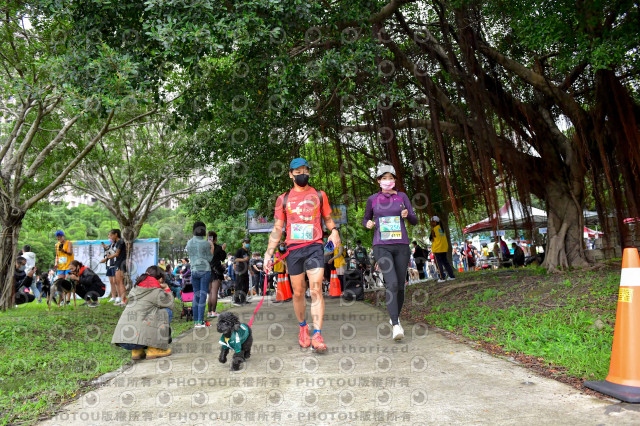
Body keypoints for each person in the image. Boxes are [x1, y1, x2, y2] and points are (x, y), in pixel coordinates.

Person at [263, 157, 340, 353]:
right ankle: (303, 328)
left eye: (304, 171)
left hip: (315, 246)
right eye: (297, 172)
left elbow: (328, 218)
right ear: (290, 174)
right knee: (298, 292)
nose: (301, 175)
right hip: (293, 249)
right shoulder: (283, 199)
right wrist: (268, 253)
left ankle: (317, 334)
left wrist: (334, 231)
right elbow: (278, 227)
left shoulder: (319, 195)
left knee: (316, 290)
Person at [363, 164, 418, 340]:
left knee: (400, 286)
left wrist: (407, 214)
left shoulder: (402, 197)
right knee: (392, 283)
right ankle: (395, 324)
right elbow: (365, 219)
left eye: (391, 178)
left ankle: (394, 316)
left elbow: (414, 219)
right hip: (381, 246)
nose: (388, 181)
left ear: (395, 180)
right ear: (379, 181)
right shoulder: (373, 199)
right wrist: (368, 224)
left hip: (401, 245)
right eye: (384, 178)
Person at [111, 266, 174, 360]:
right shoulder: (156, 291)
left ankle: (137, 351)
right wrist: (167, 288)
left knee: (145, 314)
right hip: (137, 340)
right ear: (160, 279)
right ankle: (154, 349)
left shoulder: (135, 288)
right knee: (167, 312)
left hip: (123, 339)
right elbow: (171, 304)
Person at [186, 221, 213, 327]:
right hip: (205, 270)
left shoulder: (189, 243)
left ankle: (196, 321)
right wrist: (212, 248)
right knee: (202, 295)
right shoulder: (206, 243)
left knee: (195, 295)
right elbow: (209, 258)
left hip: (193, 271)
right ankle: (201, 321)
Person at [100, 229, 126, 306]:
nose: (109, 237)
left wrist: (109, 257)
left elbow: (117, 254)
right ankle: (122, 299)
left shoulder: (120, 242)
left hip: (121, 264)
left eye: (111, 235)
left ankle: (123, 300)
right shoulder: (116, 243)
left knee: (120, 282)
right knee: (118, 282)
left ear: (116, 234)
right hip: (117, 263)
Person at [429, 216, 455, 283]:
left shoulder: (434, 230)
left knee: (438, 264)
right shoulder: (442, 229)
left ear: (435, 222)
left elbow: (430, 239)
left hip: (437, 249)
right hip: (443, 248)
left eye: (432, 222)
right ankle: (451, 276)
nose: (431, 223)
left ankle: (442, 277)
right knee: (446, 263)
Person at [207, 231, 227, 318]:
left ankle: (209, 312)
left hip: (207, 271)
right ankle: (213, 311)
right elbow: (222, 258)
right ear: (215, 238)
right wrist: (223, 249)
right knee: (214, 292)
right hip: (216, 271)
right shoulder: (218, 248)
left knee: (210, 293)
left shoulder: (205, 248)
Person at [54, 230, 74, 304]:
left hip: (69, 265)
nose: (59, 238)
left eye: (60, 236)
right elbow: (57, 255)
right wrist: (56, 262)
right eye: (57, 237)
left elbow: (70, 253)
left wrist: (63, 251)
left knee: (68, 282)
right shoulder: (56, 245)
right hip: (61, 266)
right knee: (60, 283)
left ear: (63, 236)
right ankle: (62, 299)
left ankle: (68, 300)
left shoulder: (68, 243)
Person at [234, 238, 251, 305]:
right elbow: (235, 259)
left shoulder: (247, 252)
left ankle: (243, 299)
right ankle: (236, 300)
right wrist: (243, 259)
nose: (247, 244)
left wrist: (251, 270)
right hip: (240, 270)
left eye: (248, 243)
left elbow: (248, 262)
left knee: (246, 286)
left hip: (246, 270)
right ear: (243, 243)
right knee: (239, 285)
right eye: (246, 243)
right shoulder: (239, 251)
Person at [101, 237, 117, 302]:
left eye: (110, 236)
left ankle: (118, 296)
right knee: (111, 282)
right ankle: (113, 296)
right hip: (108, 265)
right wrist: (104, 259)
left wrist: (107, 248)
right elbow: (106, 256)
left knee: (115, 281)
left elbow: (114, 254)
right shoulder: (109, 246)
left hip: (114, 265)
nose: (109, 237)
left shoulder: (116, 246)